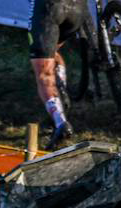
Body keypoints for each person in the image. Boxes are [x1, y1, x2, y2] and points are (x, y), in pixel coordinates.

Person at [30, 0, 88, 148]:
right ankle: (60, 89)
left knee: (43, 72)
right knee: (52, 52)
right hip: (77, 9)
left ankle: (60, 122)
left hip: (50, 8)